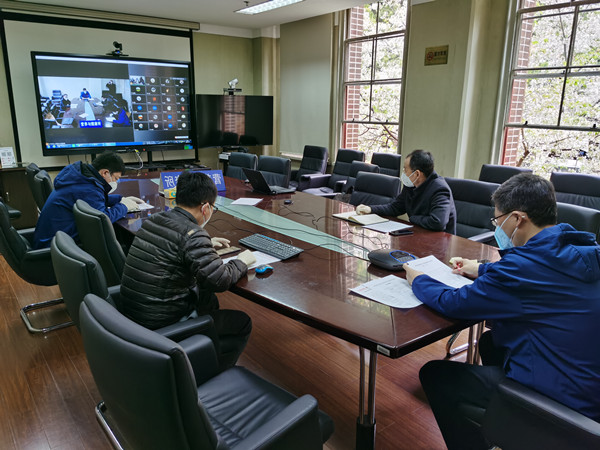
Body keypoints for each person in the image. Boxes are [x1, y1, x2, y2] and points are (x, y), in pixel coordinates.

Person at [403, 173, 600, 450]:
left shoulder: (522, 268)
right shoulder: (581, 249)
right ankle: (505, 425)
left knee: (436, 375)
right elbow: (540, 272)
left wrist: (419, 279)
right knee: (489, 341)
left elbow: (454, 302)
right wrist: (482, 268)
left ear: (517, 219)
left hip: (564, 402)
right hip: (589, 384)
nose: (497, 227)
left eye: (498, 220)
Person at [119, 171, 257, 369]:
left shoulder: (154, 219)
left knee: (207, 296)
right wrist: (241, 261)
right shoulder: (193, 235)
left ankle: (202, 350)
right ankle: (215, 373)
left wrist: (205, 244)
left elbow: (174, 245)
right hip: (161, 324)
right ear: (206, 208)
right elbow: (220, 280)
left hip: (135, 315)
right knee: (242, 322)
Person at [33, 151, 142, 249]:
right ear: (105, 173)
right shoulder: (88, 189)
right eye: (115, 178)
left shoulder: (80, 178)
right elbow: (102, 220)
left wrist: (120, 199)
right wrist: (123, 206)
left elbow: (92, 200)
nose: (115, 182)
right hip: (56, 247)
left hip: (53, 239)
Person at [355, 149, 456, 233]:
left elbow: (438, 222)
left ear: (417, 174)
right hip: (418, 234)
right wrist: (371, 209)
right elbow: (395, 208)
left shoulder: (440, 189)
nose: (403, 173)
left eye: (405, 169)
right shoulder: (411, 184)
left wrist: (413, 218)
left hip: (439, 242)